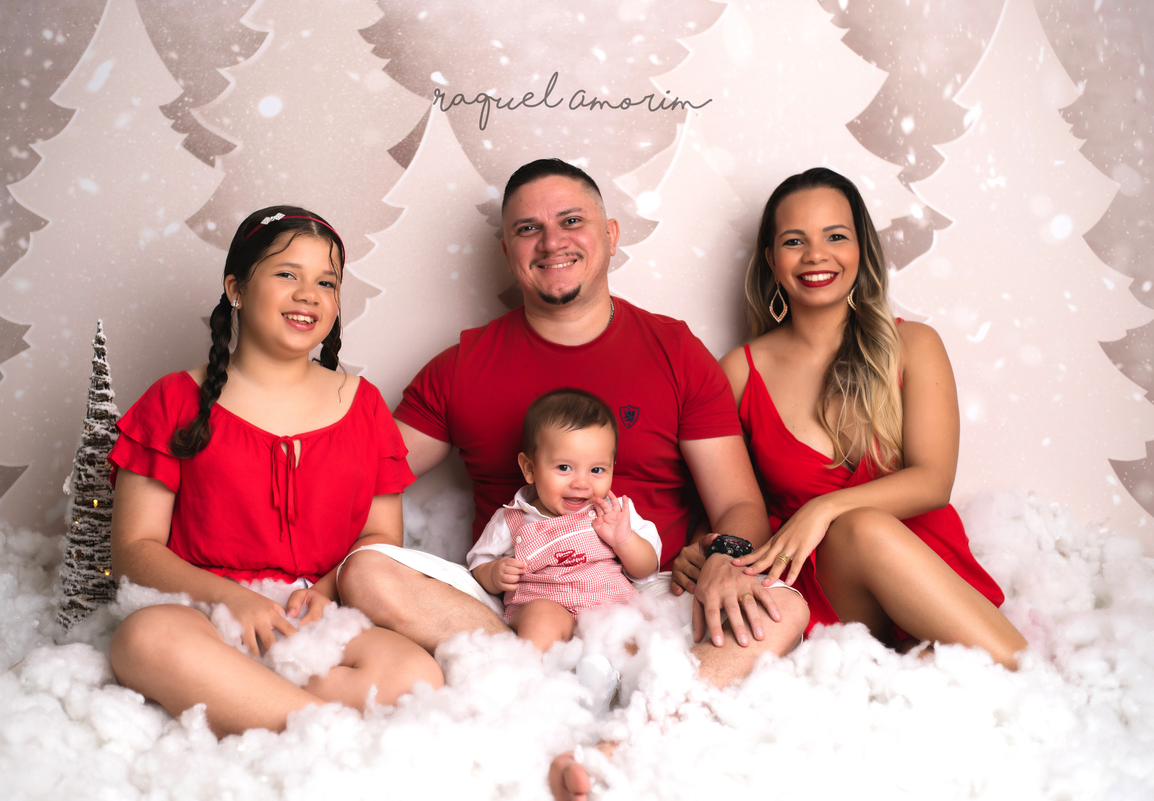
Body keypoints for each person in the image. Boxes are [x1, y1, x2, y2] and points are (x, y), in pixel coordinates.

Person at [337, 158, 808, 685]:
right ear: (507, 252)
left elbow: (739, 504)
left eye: (571, 221)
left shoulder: (675, 350)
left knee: (784, 608)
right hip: (514, 604)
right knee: (366, 572)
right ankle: (538, 675)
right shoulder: (463, 365)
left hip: (646, 598)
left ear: (610, 236)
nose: (551, 242)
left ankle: (647, 714)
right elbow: (362, 473)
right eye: (528, 229)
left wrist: (725, 557)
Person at [107, 206, 443, 737]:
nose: (309, 294)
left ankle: (255, 707)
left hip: (311, 614)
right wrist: (232, 599)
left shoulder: (363, 405)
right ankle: (321, 731)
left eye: (326, 282)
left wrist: (326, 592)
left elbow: (380, 539)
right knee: (144, 639)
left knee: (414, 675)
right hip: (203, 609)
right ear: (236, 289)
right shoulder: (175, 398)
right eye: (287, 273)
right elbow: (134, 549)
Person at [714, 167, 1027, 668]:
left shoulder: (914, 345)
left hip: (924, 566)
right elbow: (722, 497)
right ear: (771, 259)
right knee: (859, 529)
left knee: (866, 534)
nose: (816, 255)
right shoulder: (739, 371)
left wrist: (822, 509)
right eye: (794, 241)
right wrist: (710, 550)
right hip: (825, 587)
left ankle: (955, 661)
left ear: (861, 249)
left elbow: (933, 481)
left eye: (835, 236)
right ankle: (1011, 667)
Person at [468, 388, 661, 651]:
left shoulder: (614, 514)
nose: (581, 483)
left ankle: (609, 673)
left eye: (596, 470)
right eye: (564, 468)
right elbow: (478, 562)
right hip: (546, 605)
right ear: (530, 469)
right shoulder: (513, 517)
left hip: (607, 609)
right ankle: (536, 670)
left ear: (612, 468)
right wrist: (494, 573)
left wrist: (624, 541)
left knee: (631, 633)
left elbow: (646, 569)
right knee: (541, 619)